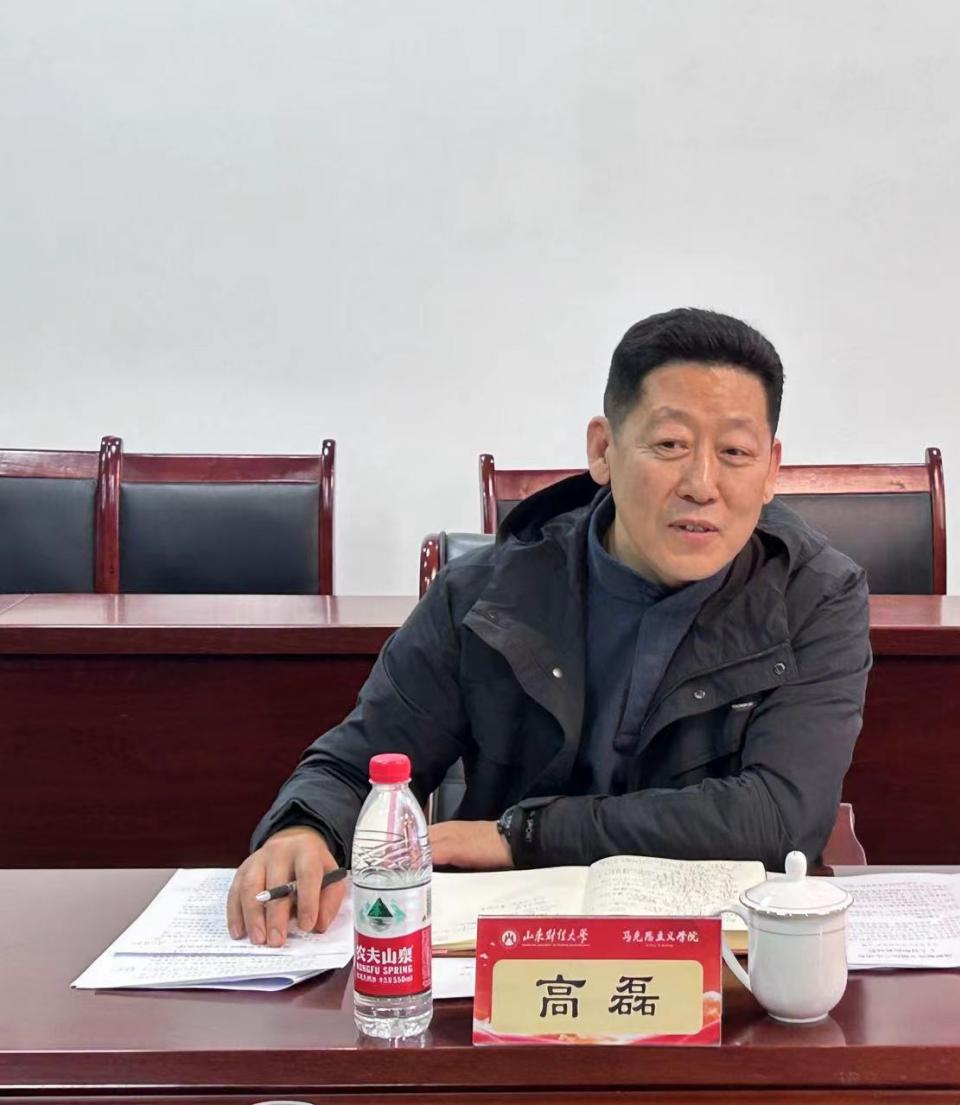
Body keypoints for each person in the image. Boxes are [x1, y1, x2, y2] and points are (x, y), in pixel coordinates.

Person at [226, 307, 871, 946]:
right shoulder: (487, 593)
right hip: (499, 955)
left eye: (735, 452)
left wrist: (525, 836)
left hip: (725, 963)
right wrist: (305, 828)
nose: (702, 484)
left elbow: (781, 818)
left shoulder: (815, 596)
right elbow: (357, 765)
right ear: (603, 450)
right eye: (670, 445)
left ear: (771, 469)